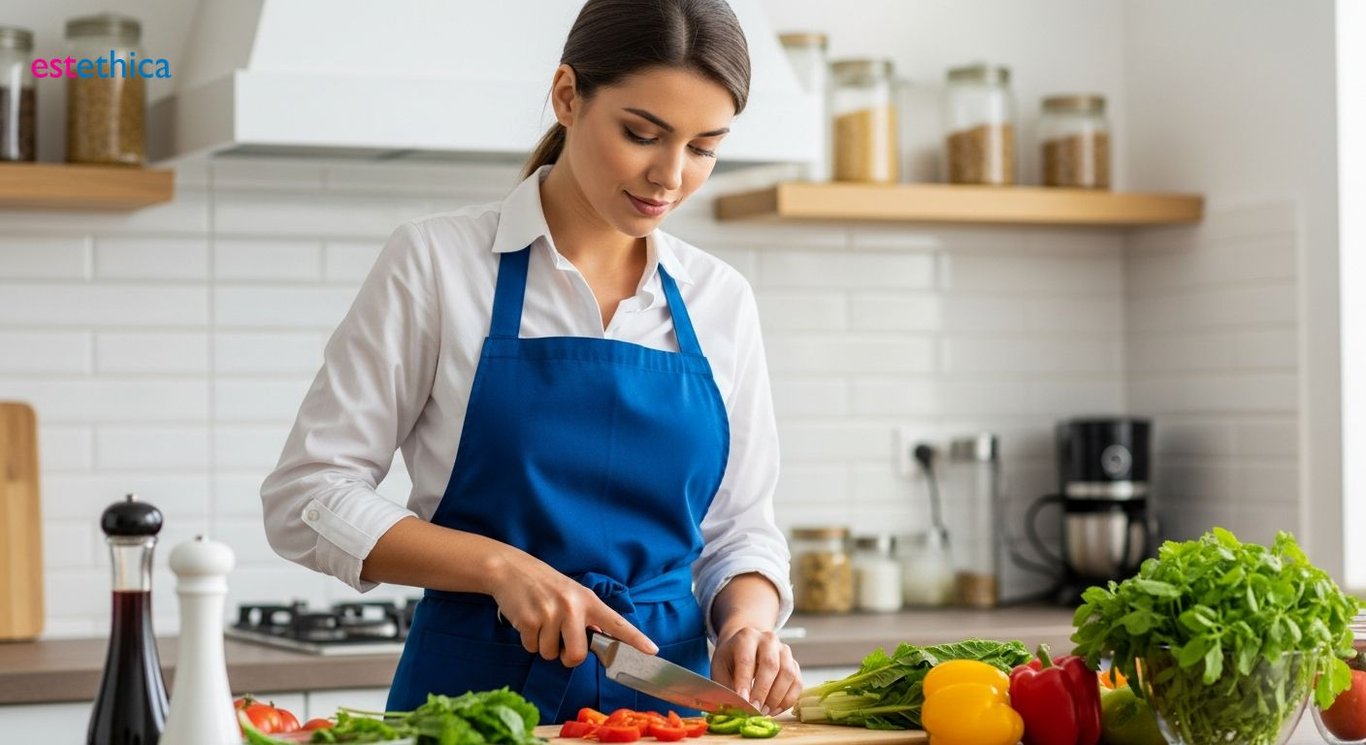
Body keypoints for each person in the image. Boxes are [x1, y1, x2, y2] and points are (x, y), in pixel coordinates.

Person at [260, 0, 799, 724]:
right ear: (568, 96)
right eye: (643, 134)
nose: (670, 176)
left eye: (704, 147)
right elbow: (307, 496)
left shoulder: (718, 298)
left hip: (669, 708)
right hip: (470, 711)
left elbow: (740, 530)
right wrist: (499, 566)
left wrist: (747, 622)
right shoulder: (438, 264)